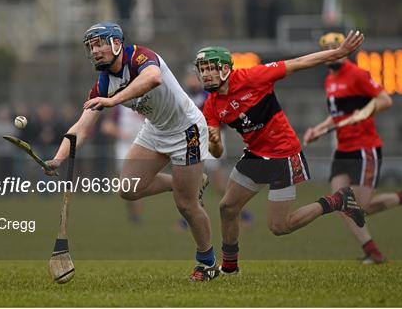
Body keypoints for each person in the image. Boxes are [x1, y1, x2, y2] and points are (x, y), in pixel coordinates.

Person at [45, 22, 218, 281]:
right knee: (128, 188)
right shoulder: (103, 84)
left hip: (187, 129)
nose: (95, 51)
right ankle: (183, 184)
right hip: (157, 129)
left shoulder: (139, 57)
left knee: (186, 205)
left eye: (99, 44)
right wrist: (58, 158)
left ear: (116, 43)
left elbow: (153, 78)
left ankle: (207, 263)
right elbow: (81, 127)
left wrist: (114, 100)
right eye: (91, 47)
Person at [195, 30, 366, 275]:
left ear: (225, 69)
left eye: (210, 68)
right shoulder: (211, 105)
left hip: (284, 155)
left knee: (280, 226)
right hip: (255, 154)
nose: (205, 74)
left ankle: (336, 201)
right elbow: (217, 149)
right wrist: (214, 142)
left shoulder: (253, 76)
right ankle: (230, 267)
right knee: (227, 207)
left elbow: (298, 63)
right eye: (202, 69)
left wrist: (337, 53)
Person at [304, 32, 402, 264]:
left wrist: (366, 112)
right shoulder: (329, 80)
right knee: (341, 203)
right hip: (343, 150)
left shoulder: (357, 75)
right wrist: (318, 129)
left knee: (360, 207)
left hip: (364, 150)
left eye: (337, 46)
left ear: (345, 49)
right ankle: (373, 252)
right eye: (328, 48)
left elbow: (385, 100)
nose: (333, 51)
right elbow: (337, 116)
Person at [176, 69, 253, 231]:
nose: (191, 82)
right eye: (189, 78)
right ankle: (187, 220)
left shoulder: (209, 96)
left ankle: (243, 214)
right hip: (193, 142)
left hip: (212, 141)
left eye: (193, 78)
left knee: (219, 185)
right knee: (194, 183)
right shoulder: (186, 97)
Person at [102, 105, 145, 223]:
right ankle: (132, 206)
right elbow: (107, 126)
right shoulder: (120, 107)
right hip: (124, 147)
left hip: (142, 146)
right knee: (125, 184)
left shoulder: (145, 102)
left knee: (138, 180)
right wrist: (120, 133)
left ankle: (136, 213)